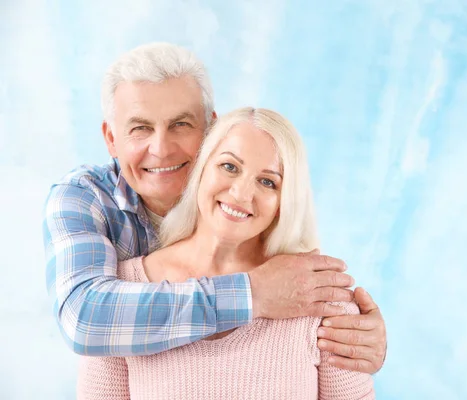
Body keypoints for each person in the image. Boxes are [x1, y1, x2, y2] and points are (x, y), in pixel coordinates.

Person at [43, 43, 386, 373]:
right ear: (111, 139)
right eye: (140, 128)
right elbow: (85, 320)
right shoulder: (83, 198)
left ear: (210, 130)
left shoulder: (245, 208)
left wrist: (359, 341)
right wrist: (253, 293)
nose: (161, 149)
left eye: (181, 125)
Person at [77, 106, 375, 399]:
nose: (241, 193)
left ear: (283, 203)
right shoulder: (121, 291)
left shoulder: (321, 298)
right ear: (201, 170)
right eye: (229, 166)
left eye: (268, 182)